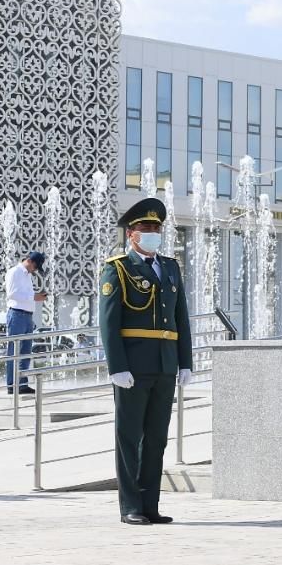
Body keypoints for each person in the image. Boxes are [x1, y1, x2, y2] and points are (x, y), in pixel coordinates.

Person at [98, 197, 192, 526]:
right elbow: (109, 323)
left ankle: (150, 504)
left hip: (166, 365)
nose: (152, 233)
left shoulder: (170, 267)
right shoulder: (118, 268)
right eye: (145, 228)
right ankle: (130, 506)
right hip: (133, 368)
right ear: (131, 234)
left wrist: (185, 362)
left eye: (156, 228)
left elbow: (181, 317)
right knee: (129, 436)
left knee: (157, 438)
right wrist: (116, 367)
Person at [4, 251, 47, 394]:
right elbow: (12, 294)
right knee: (14, 351)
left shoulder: (27, 275)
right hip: (16, 314)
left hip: (27, 316)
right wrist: (34, 297)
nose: (35, 270)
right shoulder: (14, 272)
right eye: (36, 267)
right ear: (30, 261)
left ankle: (22, 384)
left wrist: (35, 297)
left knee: (25, 352)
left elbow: (25, 296)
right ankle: (11, 384)